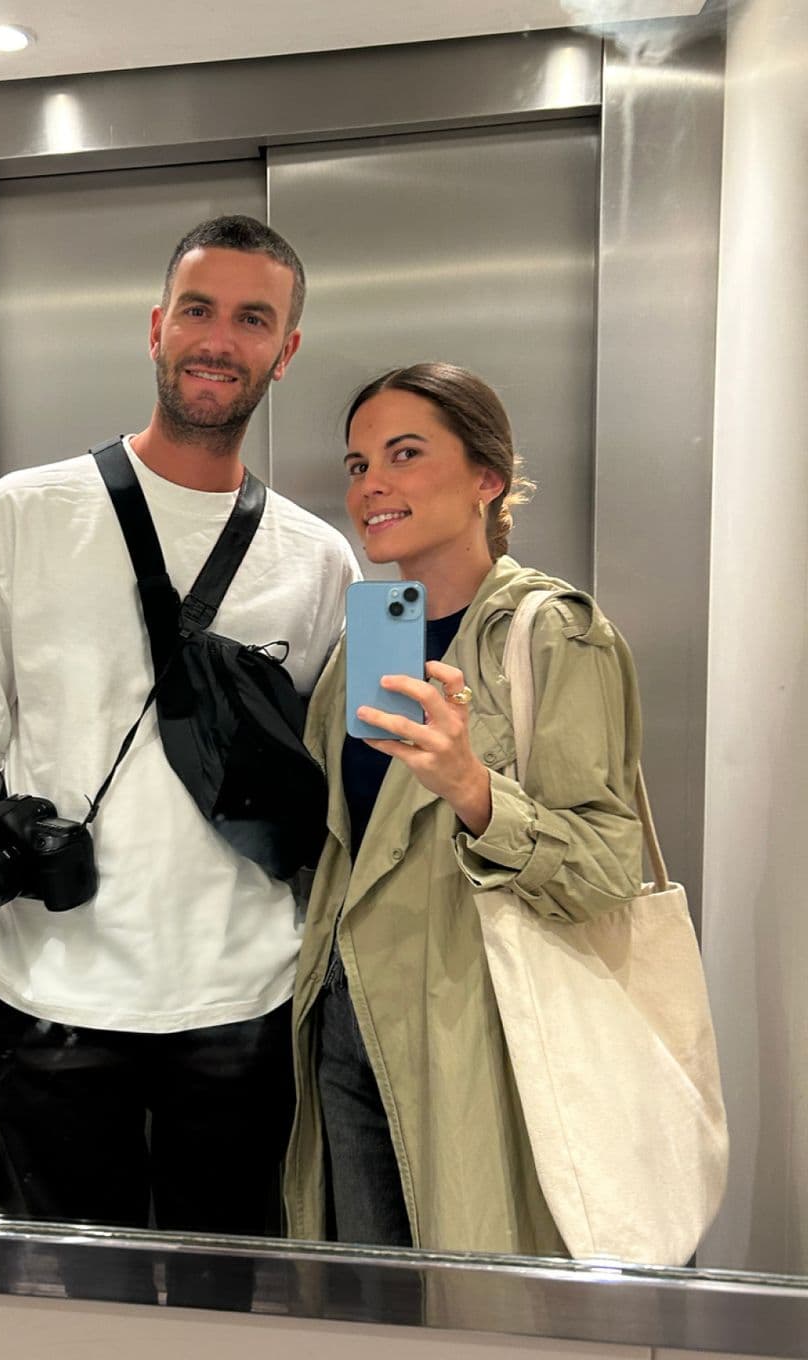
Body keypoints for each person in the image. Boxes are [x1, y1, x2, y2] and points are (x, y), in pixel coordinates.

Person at [0, 216, 358, 1241]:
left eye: (253, 318)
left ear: (283, 352)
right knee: (77, 1306)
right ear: (157, 326)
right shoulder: (25, 513)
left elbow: (349, 779)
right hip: (49, 995)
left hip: (244, 1000)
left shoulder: (320, 559)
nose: (218, 337)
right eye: (197, 309)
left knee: (229, 1295)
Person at [283, 362, 644, 1256]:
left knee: (476, 1304)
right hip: (345, 1015)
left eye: (404, 455)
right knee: (370, 1299)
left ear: (488, 478)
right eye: (359, 464)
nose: (372, 486)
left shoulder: (551, 632)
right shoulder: (365, 641)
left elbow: (606, 868)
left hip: (477, 1028)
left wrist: (474, 791)